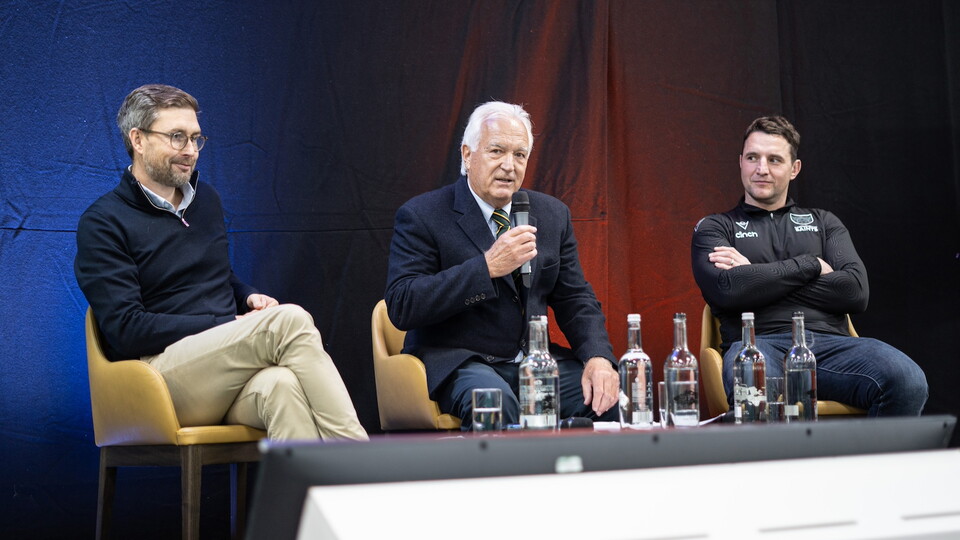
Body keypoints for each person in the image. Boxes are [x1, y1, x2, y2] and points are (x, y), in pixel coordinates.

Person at [75, 84, 367, 441]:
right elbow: (127, 329)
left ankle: (307, 480)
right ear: (138, 139)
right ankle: (356, 458)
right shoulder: (103, 222)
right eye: (177, 137)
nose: (190, 151)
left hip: (219, 372)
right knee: (289, 321)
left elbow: (217, 276)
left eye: (195, 138)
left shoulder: (206, 201)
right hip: (157, 379)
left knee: (282, 385)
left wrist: (246, 296)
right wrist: (226, 323)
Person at [384, 101, 619, 429]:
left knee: (608, 399)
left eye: (519, 155)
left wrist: (598, 357)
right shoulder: (423, 215)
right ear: (467, 155)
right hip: (462, 361)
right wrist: (487, 267)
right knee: (494, 402)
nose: (509, 166)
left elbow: (575, 299)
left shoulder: (552, 215)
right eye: (497, 151)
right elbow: (403, 304)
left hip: (533, 364)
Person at [690, 115, 927, 416]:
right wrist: (811, 264)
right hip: (759, 345)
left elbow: (855, 292)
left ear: (794, 169)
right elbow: (728, 290)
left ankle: (869, 452)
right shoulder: (715, 227)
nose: (761, 169)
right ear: (740, 162)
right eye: (752, 158)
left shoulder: (824, 222)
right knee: (754, 382)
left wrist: (756, 276)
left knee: (908, 380)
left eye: (774, 160)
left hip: (833, 348)